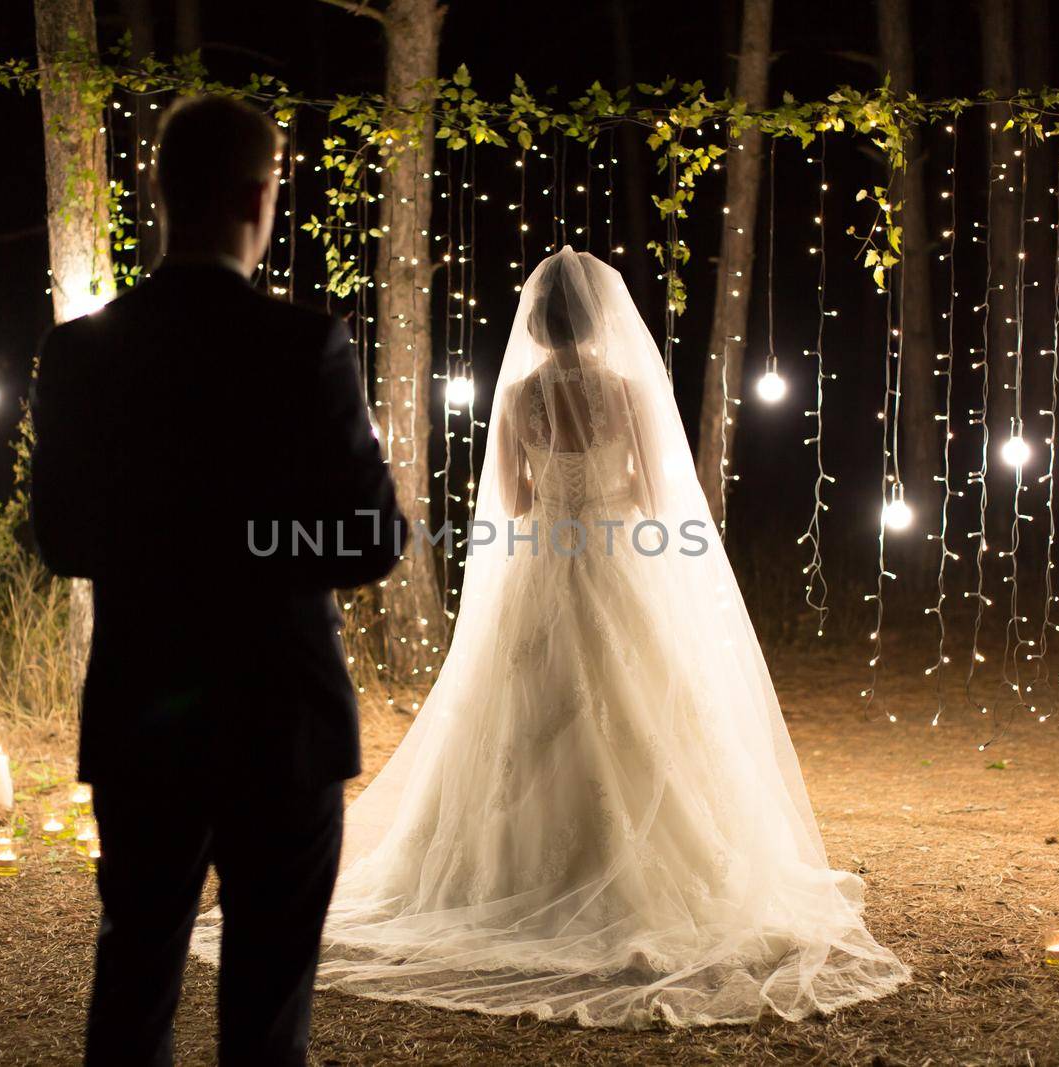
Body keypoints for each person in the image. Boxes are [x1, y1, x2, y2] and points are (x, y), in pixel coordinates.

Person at [221, 247, 911, 1027]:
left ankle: (514, 871)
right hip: (618, 553)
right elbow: (655, 491)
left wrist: (560, 495)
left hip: (545, 561)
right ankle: (635, 865)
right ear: (598, 320)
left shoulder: (520, 395)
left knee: (526, 708)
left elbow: (514, 500)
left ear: (538, 329)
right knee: (640, 700)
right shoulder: (624, 390)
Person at [30, 94, 403, 1066]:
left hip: (143, 707)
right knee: (268, 1005)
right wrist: (266, 542)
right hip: (279, 712)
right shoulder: (302, 345)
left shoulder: (79, 351)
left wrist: (180, 541)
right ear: (257, 193)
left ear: (158, 191)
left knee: (135, 979)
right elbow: (371, 541)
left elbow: (64, 537)